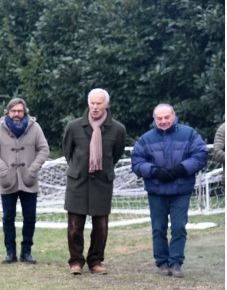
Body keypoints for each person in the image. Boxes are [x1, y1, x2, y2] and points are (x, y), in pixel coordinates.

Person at [131, 104, 208, 278]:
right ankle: (162, 263)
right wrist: (154, 171)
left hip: (181, 190)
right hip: (156, 191)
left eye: (167, 117)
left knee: (179, 227)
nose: (163, 121)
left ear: (174, 116)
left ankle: (176, 263)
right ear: (154, 119)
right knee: (158, 228)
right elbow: (136, 161)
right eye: (159, 118)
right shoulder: (145, 139)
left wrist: (181, 169)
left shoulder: (189, 134)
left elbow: (201, 155)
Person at [62, 88, 126, 275]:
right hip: (78, 183)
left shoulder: (118, 129)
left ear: (107, 104)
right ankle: (76, 261)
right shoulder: (73, 127)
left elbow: (116, 154)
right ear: (88, 104)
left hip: (102, 184)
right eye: (92, 103)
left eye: (99, 103)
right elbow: (68, 153)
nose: (95, 107)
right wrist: (80, 168)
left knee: (100, 227)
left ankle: (96, 261)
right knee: (74, 226)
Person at [0, 98, 49, 265]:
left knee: (30, 217)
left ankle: (26, 252)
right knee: (8, 218)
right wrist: (3, 168)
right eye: (13, 111)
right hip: (8, 180)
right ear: (8, 112)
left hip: (29, 180)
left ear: (24, 112)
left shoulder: (34, 127)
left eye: (19, 111)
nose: (16, 114)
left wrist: (32, 169)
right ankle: (10, 252)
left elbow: (44, 149)